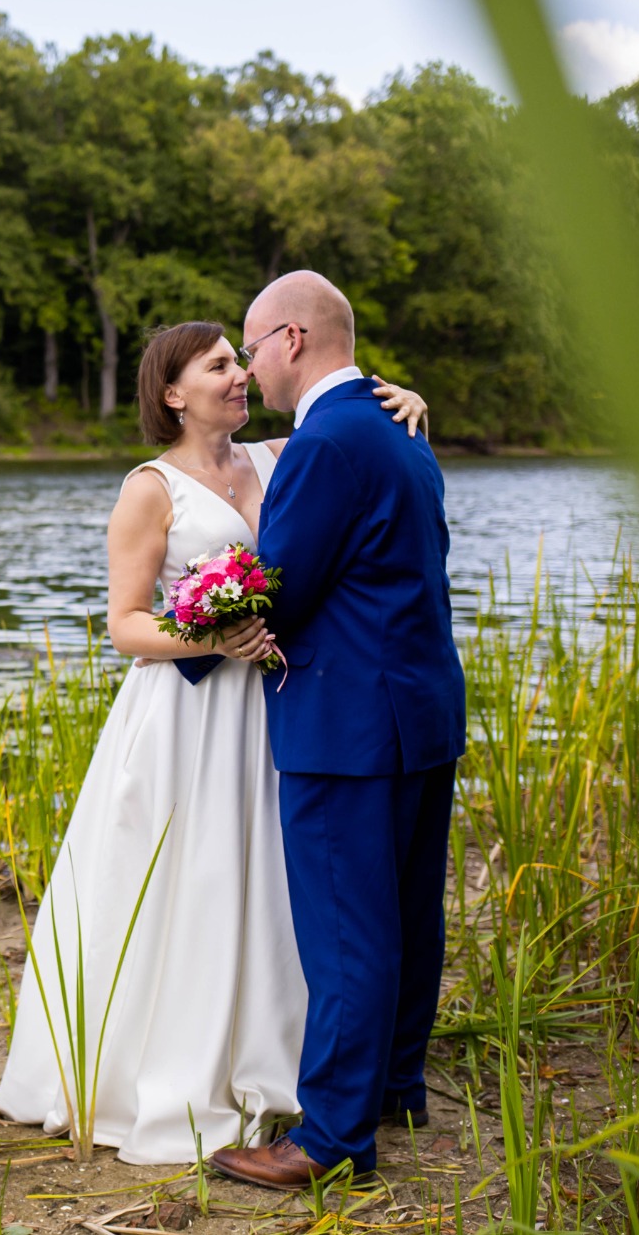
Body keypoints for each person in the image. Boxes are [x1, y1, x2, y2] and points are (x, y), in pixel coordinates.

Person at [0, 317, 428, 1164]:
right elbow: (125, 624)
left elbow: (352, 433)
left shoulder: (277, 455)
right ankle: (166, 1067)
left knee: (273, 879)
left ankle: (285, 1059)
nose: (238, 374)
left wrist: (411, 400)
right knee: (188, 878)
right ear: (172, 392)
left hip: (276, 707)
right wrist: (216, 637)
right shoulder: (149, 488)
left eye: (240, 359)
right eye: (218, 365)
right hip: (186, 717)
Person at [207, 271, 466, 1186]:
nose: (247, 368)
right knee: (405, 914)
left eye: (250, 348)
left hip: (348, 724)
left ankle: (328, 1140)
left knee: (348, 930)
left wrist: (194, 644)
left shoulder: (328, 441)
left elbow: (280, 582)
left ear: (291, 339)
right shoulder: (401, 429)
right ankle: (396, 1087)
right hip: (420, 712)